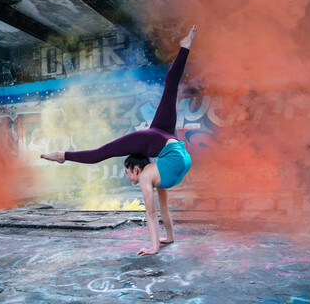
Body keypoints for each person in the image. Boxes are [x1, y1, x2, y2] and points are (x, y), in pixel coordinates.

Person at [41, 25, 198, 256]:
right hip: (174, 148)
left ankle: (62, 156)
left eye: (127, 173)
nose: (128, 177)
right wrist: (169, 238)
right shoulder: (157, 174)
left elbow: (152, 213)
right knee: (170, 90)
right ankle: (184, 48)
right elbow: (164, 208)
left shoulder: (147, 175)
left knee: (103, 151)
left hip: (174, 154)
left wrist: (154, 247)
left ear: (136, 168)